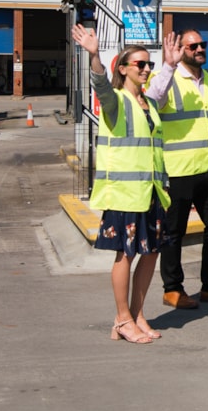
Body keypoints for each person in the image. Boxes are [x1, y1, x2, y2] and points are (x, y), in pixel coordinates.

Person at [71, 23, 173, 344]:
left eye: (149, 64)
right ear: (124, 69)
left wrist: (169, 65)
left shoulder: (150, 105)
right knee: (125, 256)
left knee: (152, 252)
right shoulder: (115, 102)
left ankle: (137, 314)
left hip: (151, 193)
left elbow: (153, 146)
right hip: (124, 194)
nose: (146, 69)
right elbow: (100, 85)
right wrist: (95, 55)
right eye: (140, 64)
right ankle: (122, 319)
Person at [146, 29, 208, 309]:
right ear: (180, 50)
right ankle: (173, 289)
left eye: (202, 44)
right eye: (193, 46)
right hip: (178, 170)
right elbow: (151, 101)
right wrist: (168, 65)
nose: (200, 49)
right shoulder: (166, 78)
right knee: (173, 232)